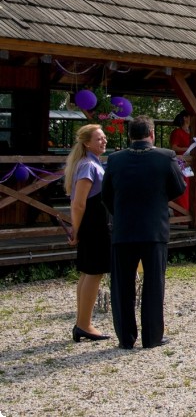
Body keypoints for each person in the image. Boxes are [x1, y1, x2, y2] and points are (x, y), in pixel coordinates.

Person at [101, 115, 185, 349]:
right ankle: (152, 337)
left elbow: (106, 195)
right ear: (152, 134)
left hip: (124, 229)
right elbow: (179, 188)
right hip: (153, 229)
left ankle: (126, 338)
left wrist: (119, 213)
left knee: (122, 286)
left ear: (130, 136)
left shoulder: (115, 159)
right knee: (154, 285)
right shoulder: (165, 157)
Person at [64, 123, 111, 342]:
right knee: (93, 272)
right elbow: (79, 203)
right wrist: (76, 228)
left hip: (93, 223)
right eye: (99, 138)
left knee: (88, 272)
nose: (104, 141)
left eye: (104, 138)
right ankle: (84, 323)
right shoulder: (87, 166)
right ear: (86, 143)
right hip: (93, 224)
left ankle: (83, 321)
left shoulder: (91, 163)